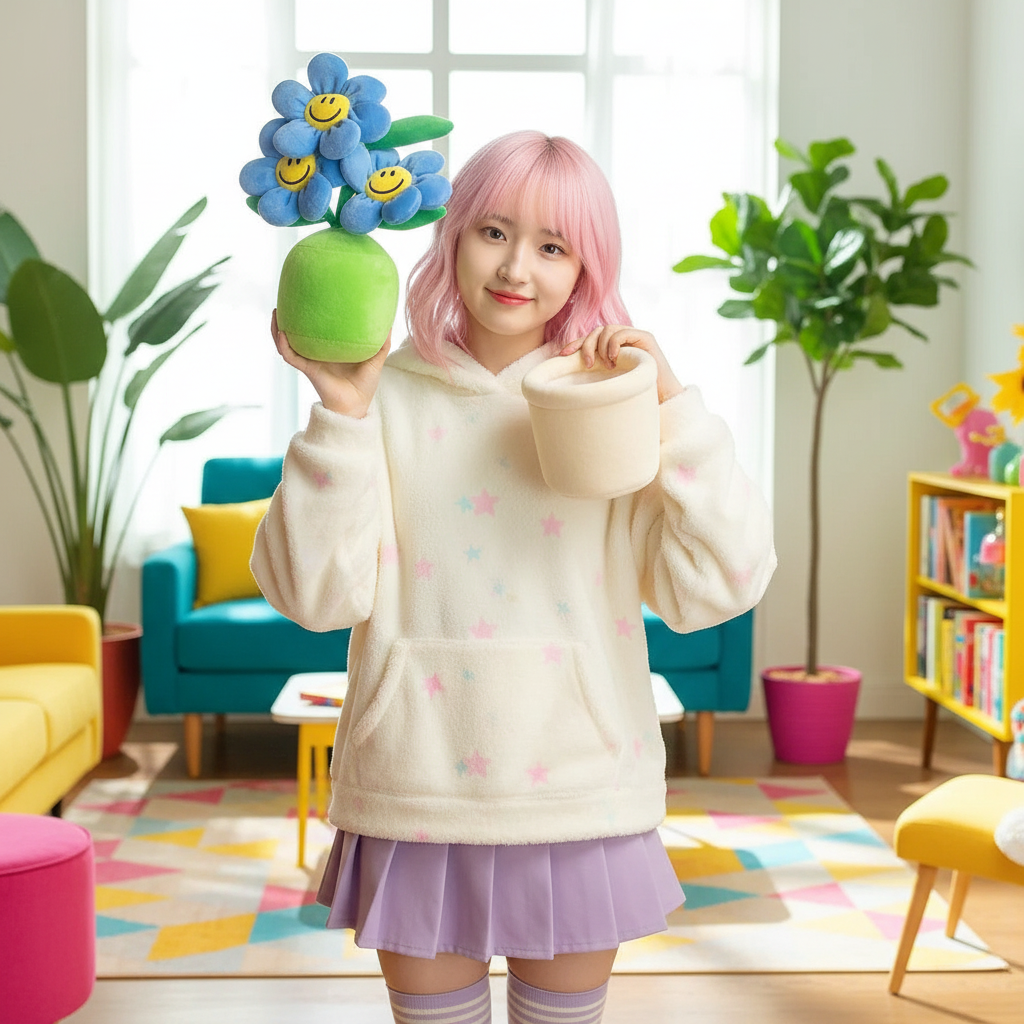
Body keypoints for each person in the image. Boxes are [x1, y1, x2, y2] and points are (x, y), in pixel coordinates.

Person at [252, 130, 776, 1024]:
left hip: (578, 783)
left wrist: (672, 405)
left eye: (553, 246)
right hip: (415, 782)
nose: (516, 269)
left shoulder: (606, 399)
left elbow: (719, 583)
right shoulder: (384, 389)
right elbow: (312, 596)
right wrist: (340, 415)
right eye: (494, 231)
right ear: (452, 236)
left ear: (586, 269)